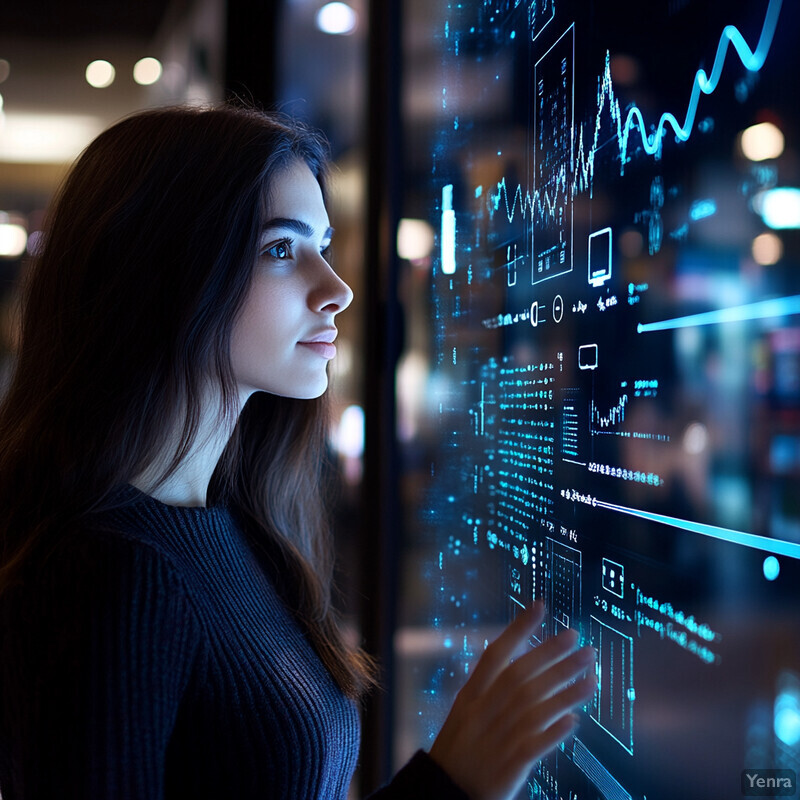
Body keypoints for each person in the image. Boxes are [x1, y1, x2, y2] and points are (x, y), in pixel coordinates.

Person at [0, 104, 596, 800]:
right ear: (164, 269)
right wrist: (448, 786)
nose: (337, 289)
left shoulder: (229, 526)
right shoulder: (112, 574)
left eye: (320, 244)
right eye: (281, 249)